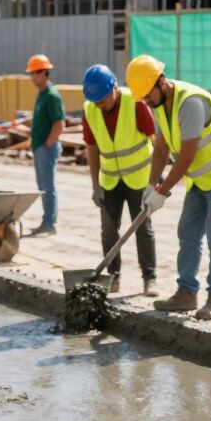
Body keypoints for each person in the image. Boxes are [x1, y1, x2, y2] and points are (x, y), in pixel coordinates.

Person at [125, 55, 211, 321]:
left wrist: (163, 191)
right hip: (201, 178)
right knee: (188, 233)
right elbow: (161, 147)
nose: (145, 101)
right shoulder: (159, 104)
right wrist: (151, 184)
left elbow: (186, 155)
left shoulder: (190, 104)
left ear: (161, 83)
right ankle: (186, 294)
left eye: (147, 95)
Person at [81, 63, 158, 297]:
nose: (100, 105)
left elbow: (156, 142)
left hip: (138, 180)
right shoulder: (90, 110)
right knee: (108, 231)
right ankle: (113, 277)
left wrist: (154, 182)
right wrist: (95, 185)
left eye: (103, 99)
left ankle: (149, 277)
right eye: (96, 101)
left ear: (114, 88)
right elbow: (92, 148)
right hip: (110, 182)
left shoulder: (136, 105)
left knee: (142, 229)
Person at [27, 53, 65, 235]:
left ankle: (50, 223)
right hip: (40, 147)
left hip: (46, 148)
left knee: (48, 187)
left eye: (34, 73)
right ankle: (47, 221)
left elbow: (59, 123)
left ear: (44, 73)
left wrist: (47, 145)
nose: (32, 78)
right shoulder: (42, 94)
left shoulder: (51, 96)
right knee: (43, 186)